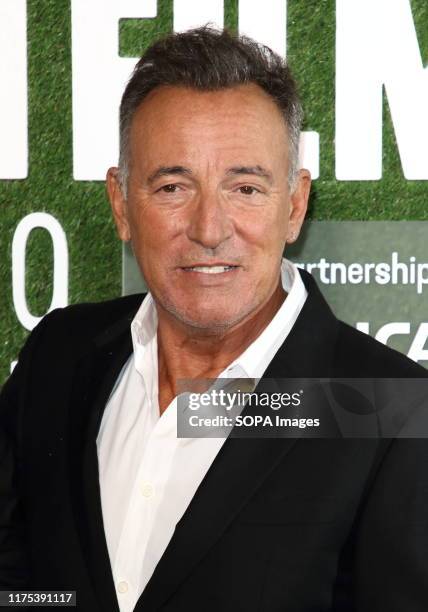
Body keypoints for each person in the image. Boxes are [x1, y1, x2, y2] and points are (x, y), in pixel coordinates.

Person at [1, 26, 428, 612]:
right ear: (122, 205)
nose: (209, 229)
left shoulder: (396, 416)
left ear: (295, 205)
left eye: (246, 188)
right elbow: (22, 585)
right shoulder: (59, 353)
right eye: (173, 186)